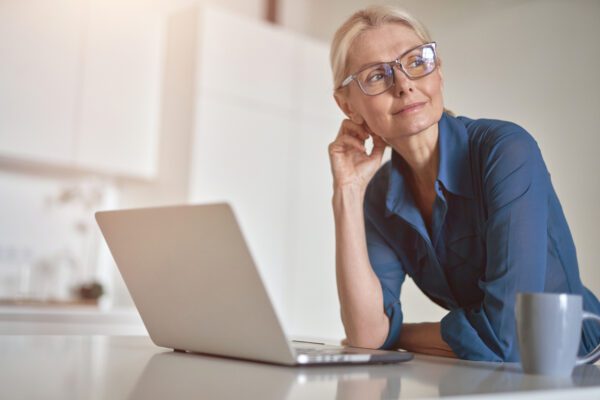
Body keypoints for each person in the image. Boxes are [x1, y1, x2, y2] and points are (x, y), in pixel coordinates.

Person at [327, 5, 600, 362]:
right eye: (377, 76)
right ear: (348, 105)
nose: (405, 84)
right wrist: (346, 192)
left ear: (438, 71)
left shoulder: (505, 150)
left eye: (416, 61)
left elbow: (510, 337)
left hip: (579, 365)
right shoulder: (378, 195)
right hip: (484, 372)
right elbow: (365, 335)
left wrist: (399, 334)